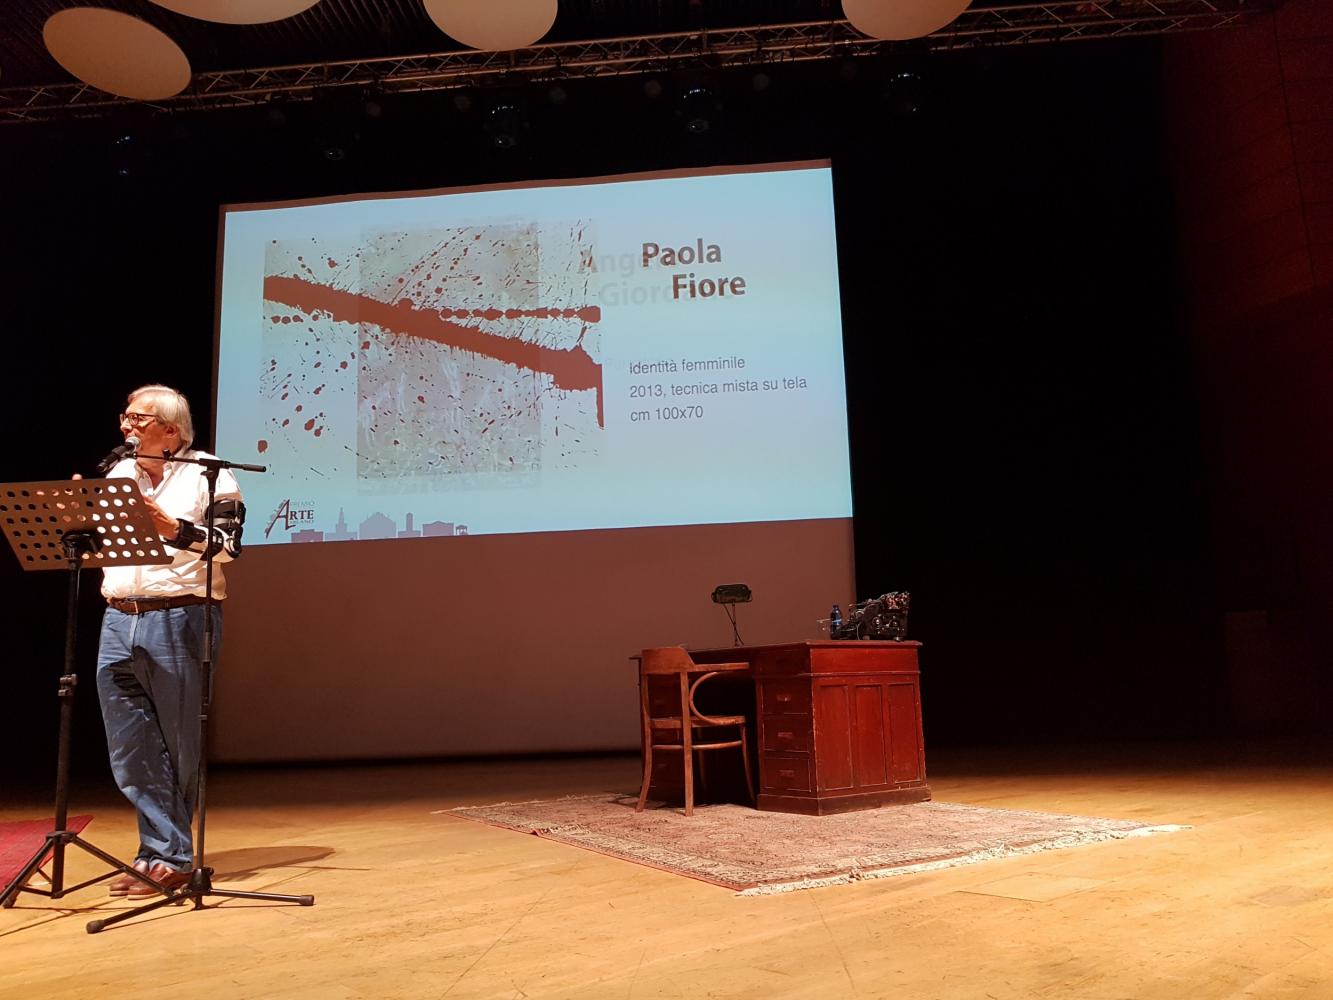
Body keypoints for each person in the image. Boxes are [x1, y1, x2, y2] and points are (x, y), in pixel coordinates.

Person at [95, 384, 245, 897]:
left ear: (171, 430)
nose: (127, 426)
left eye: (139, 419)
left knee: (178, 743)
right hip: (118, 617)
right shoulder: (118, 473)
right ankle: (159, 852)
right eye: (125, 417)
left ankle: (168, 856)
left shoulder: (211, 473)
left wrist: (172, 527)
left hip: (180, 616)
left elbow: (229, 548)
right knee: (130, 746)